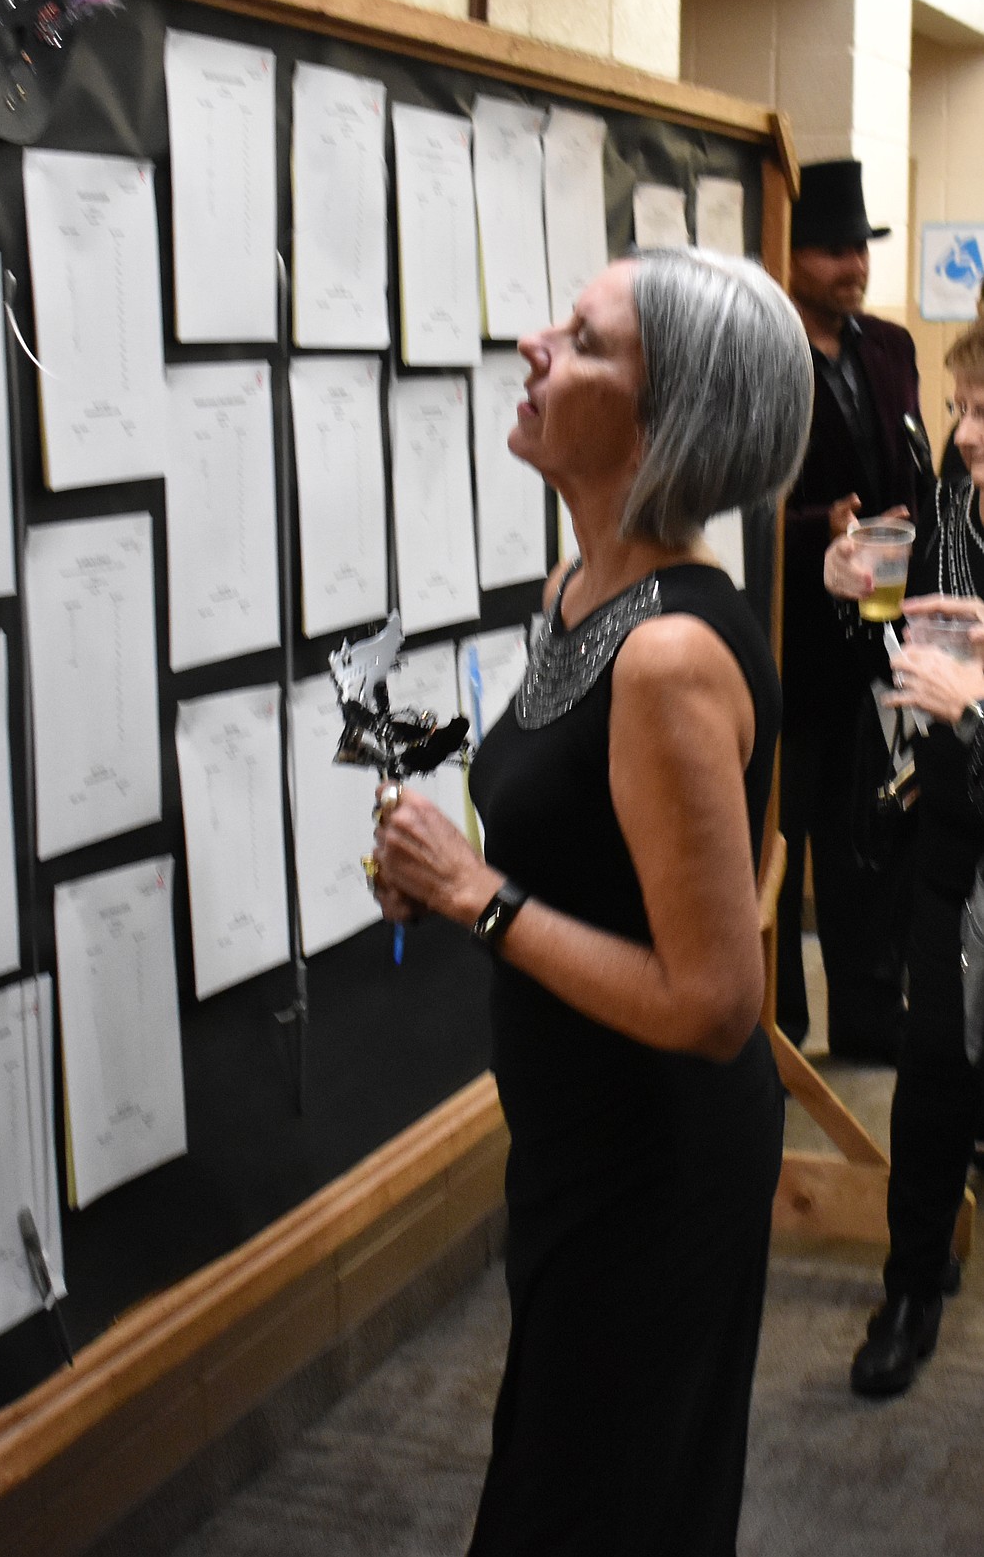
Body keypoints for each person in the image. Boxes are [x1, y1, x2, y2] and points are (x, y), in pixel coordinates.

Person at [367, 250, 812, 1555]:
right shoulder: (577, 595)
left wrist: (479, 895)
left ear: (665, 420)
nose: (532, 345)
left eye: (583, 340)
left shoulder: (668, 655)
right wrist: (451, 873)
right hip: (576, 1140)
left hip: (654, 1160)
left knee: (590, 1506)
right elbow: (588, 851)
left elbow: (719, 1003)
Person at [824, 318, 984, 1397]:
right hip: (952, 835)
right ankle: (913, 1284)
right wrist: (851, 584)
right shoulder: (941, 511)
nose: (967, 435)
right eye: (964, 407)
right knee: (931, 1078)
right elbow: (890, 618)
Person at [777, 158, 933, 1062]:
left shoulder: (889, 347)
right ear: (792, 256)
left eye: (860, 249)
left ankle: (871, 1020)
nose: (854, 267)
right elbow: (740, 499)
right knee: (784, 833)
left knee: (874, 825)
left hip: (882, 629)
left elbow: (909, 461)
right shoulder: (762, 351)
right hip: (793, 642)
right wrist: (813, 528)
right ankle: (785, 1027)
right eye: (834, 251)